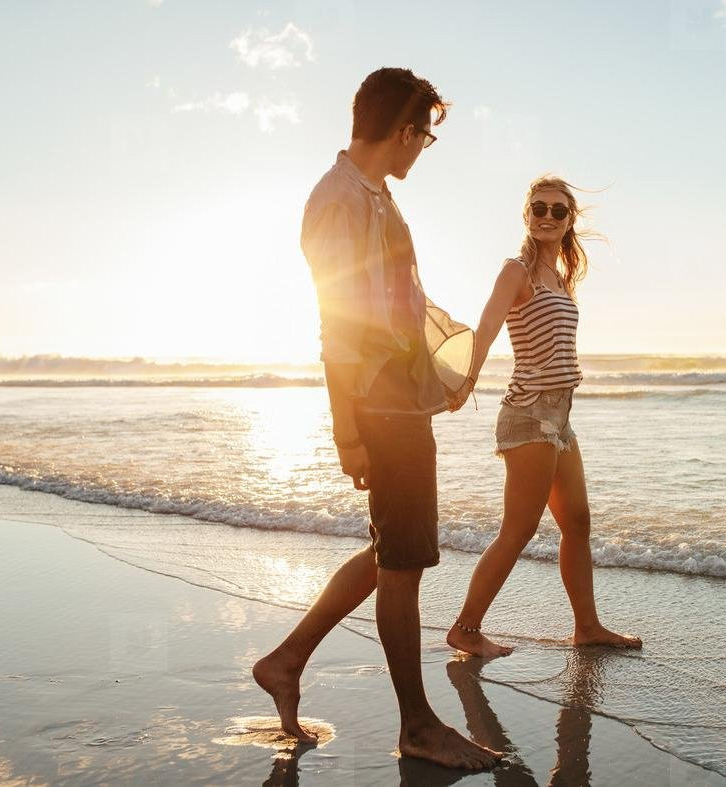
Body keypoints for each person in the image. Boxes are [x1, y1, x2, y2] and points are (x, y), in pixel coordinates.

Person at [251, 67, 498, 771]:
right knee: (405, 557)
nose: (424, 147)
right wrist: (346, 427)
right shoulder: (338, 200)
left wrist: (439, 375)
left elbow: (398, 309)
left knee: (394, 547)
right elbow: (338, 319)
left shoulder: (377, 198)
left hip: (399, 396)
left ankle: (287, 658)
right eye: (424, 133)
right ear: (401, 129)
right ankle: (417, 725)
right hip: (378, 406)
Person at [444, 176, 642, 658]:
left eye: (558, 210)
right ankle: (465, 629)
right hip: (529, 415)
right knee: (519, 529)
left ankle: (587, 627)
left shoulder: (560, 278)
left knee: (577, 522)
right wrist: (466, 379)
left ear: (570, 219)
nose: (547, 217)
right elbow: (487, 327)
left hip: (560, 418)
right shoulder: (517, 271)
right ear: (526, 215)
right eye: (539, 208)